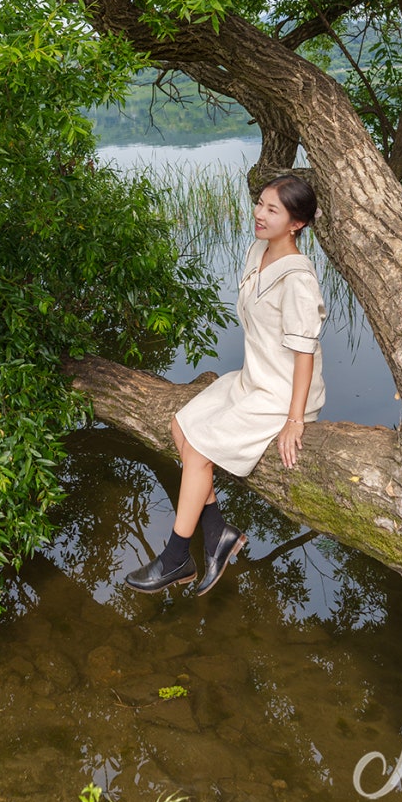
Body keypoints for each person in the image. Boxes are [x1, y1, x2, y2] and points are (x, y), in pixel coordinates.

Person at [125, 174, 325, 597]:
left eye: (273, 209)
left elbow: (305, 354)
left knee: (199, 450)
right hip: (254, 378)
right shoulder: (258, 251)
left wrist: (295, 420)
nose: (259, 213)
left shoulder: (299, 280)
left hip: (282, 394)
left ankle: (178, 555)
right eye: (260, 203)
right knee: (182, 425)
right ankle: (216, 531)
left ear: (297, 224)